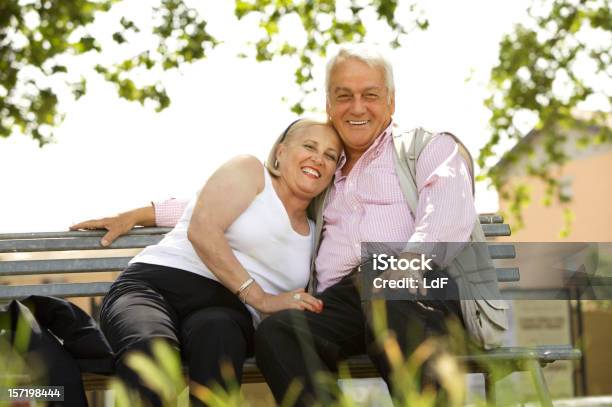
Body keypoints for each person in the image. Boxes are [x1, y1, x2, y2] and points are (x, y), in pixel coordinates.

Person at [74, 45, 506, 405]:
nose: (357, 107)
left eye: (370, 95)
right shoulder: (323, 177)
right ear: (328, 105)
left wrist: (401, 267)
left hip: (419, 285)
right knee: (281, 331)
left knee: (388, 290)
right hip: (345, 299)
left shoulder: (428, 148)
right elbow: (242, 201)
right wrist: (143, 211)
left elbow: (446, 216)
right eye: (344, 96)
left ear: (391, 102)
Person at [73, 118, 343, 406]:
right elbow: (202, 228)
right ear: (280, 152)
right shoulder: (250, 171)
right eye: (309, 146)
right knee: (151, 352)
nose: (318, 158)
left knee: (220, 343)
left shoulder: (317, 234)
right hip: (156, 284)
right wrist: (261, 298)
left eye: (330, 155)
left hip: (226, 313)